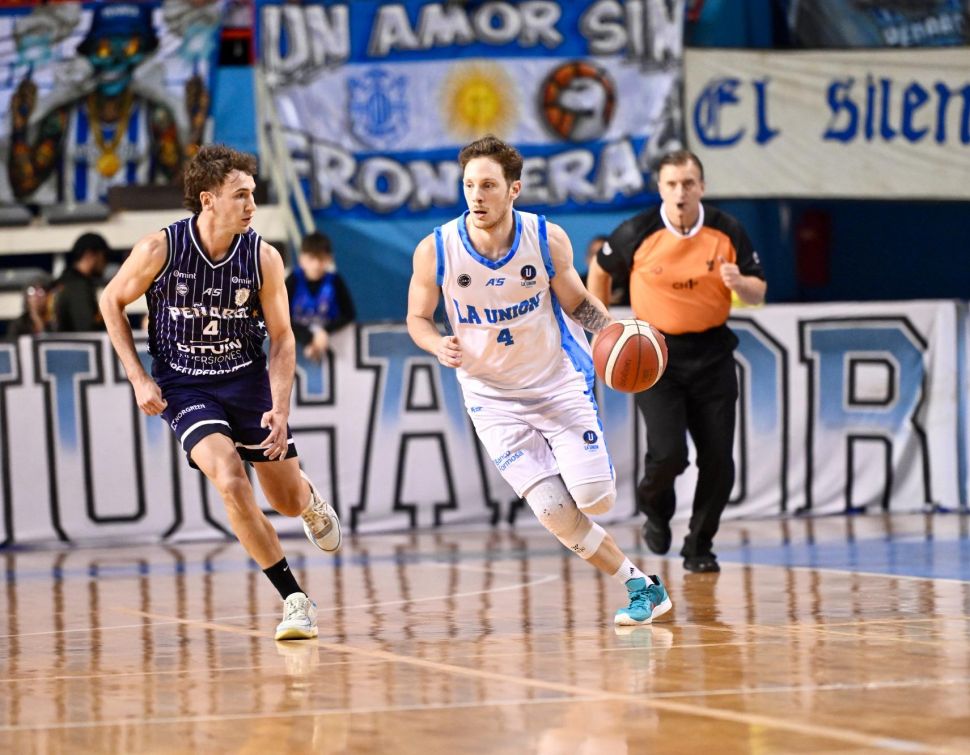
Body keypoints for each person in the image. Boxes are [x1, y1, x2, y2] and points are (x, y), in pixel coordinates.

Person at [406, 135, 672, 627]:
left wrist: (613, 334)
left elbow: (578, 303)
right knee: (552, 509)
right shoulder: (436, 250)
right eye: (469, 185)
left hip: (555, 382)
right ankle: (642, 585)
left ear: (514, 189)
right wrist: (435, 344)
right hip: (490, 398)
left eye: (489, 185)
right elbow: (417, 318)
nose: (477, 196)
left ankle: (582, 469)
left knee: (595, 498)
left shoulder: (545, 239)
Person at [99, 144, 341, 640]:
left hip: (246, 379)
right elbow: (111, 301)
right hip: (184, 385)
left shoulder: (263, 257)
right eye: (240, 195)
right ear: (208, 200)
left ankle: (308, 498)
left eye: (253, 194)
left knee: (286, 500)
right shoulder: (160, 249)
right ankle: (295, 598)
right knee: (230, 480)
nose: (252, 204)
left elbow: (283, 337)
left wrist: (280, 407)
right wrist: (139, 377)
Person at [588, 149, 767, 573]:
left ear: (701, 187)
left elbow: (758, 292)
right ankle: (655, 509)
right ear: (660, 188)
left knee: (719, 461)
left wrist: (740, 283)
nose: (680, 192)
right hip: (655, 357)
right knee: (669, 454)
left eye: (688, 183)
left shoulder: (727, 230)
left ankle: (699, 546)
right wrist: (601, 326)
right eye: (671, 184)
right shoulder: (637, 231)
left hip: (713, 354)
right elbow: (600, 269)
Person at [286, 230, 356, 363]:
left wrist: (325, 332)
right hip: (296, 346)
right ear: (301, 259)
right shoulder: (293, 280)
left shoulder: (335, 281)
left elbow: (349, 314)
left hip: (332, 345)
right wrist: (308, 339)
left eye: (322, 258)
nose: (317, 264)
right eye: (312, 258)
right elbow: (281, 317)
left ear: (329, 259)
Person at [52, 232, 110, 332]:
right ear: (89, 254)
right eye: (105, 256)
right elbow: (87, 330)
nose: (106, 263)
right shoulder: (79, 286)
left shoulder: (61, 283)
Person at [583, 235, 629, 306]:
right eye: (593, 253)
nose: (597, 259)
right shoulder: (578, 284)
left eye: (602, 255)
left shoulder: (629, 283)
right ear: (586, 258)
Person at [6, 274, 54, 340]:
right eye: (32, 291)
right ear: (26, 298)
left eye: (41, 292)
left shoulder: (53, 322)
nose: (36, 296)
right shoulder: (19, 324)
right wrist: (34, 314)